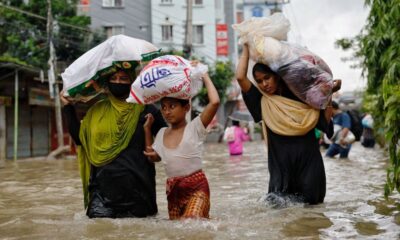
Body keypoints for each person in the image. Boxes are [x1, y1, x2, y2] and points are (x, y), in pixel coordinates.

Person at [236, 44, 336, 206]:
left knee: (312, 213)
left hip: (309, 165)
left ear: (277, 76)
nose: (263, 84)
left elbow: (324, 124)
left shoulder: (302, 97)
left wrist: (328, 94)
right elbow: (241, 77)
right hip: (281, 171)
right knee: (281, 212)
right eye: (259, 81)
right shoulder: (261, 101)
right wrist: (247, 46)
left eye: (267, 78)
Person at [61, 66, 167, 218]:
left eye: (123, 78)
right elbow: (80, 139)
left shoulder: (146, 109)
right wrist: (68, 107)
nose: (118, 82)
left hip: (139, 193)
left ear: (132, 82)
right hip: (102, 194)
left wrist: (157, 153)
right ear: (107, 82)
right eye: (113, 79)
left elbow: (166, 138)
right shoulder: (97, 111)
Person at [143, 69, 220, 220]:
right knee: (179, 231)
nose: (166, 112)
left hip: (198, 187)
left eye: (172, 106)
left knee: (191, 222)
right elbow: (153, 157)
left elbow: (215, 102)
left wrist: (205, 76)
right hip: (173, 191)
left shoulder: (195, 127)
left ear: (186, 108)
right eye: (163, 107)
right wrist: (147, 129)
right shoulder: (161, 133)